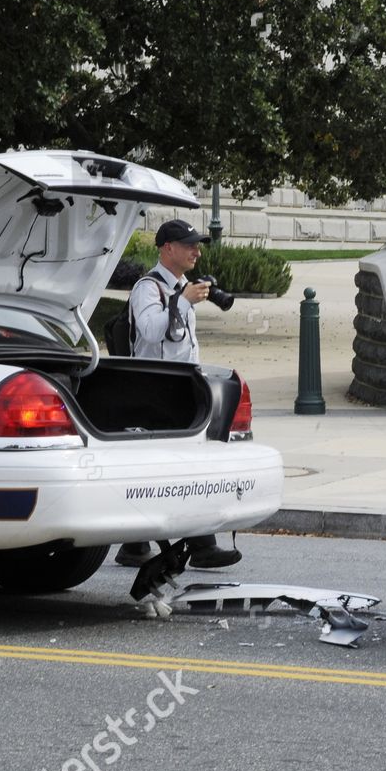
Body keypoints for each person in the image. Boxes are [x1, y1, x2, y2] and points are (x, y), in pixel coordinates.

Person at [115, 218, 243, 570]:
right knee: (188, 468)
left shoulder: (181, 287)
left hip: (179, 389)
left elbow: (184, 343)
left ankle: (134, 544)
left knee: (157, 471)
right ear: (166, 248)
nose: (196, 250)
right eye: (188, 244)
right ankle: (202, 547)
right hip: (154, 392)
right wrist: (183, 301)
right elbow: (153, 331)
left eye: (197, 244)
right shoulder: (147, 288)